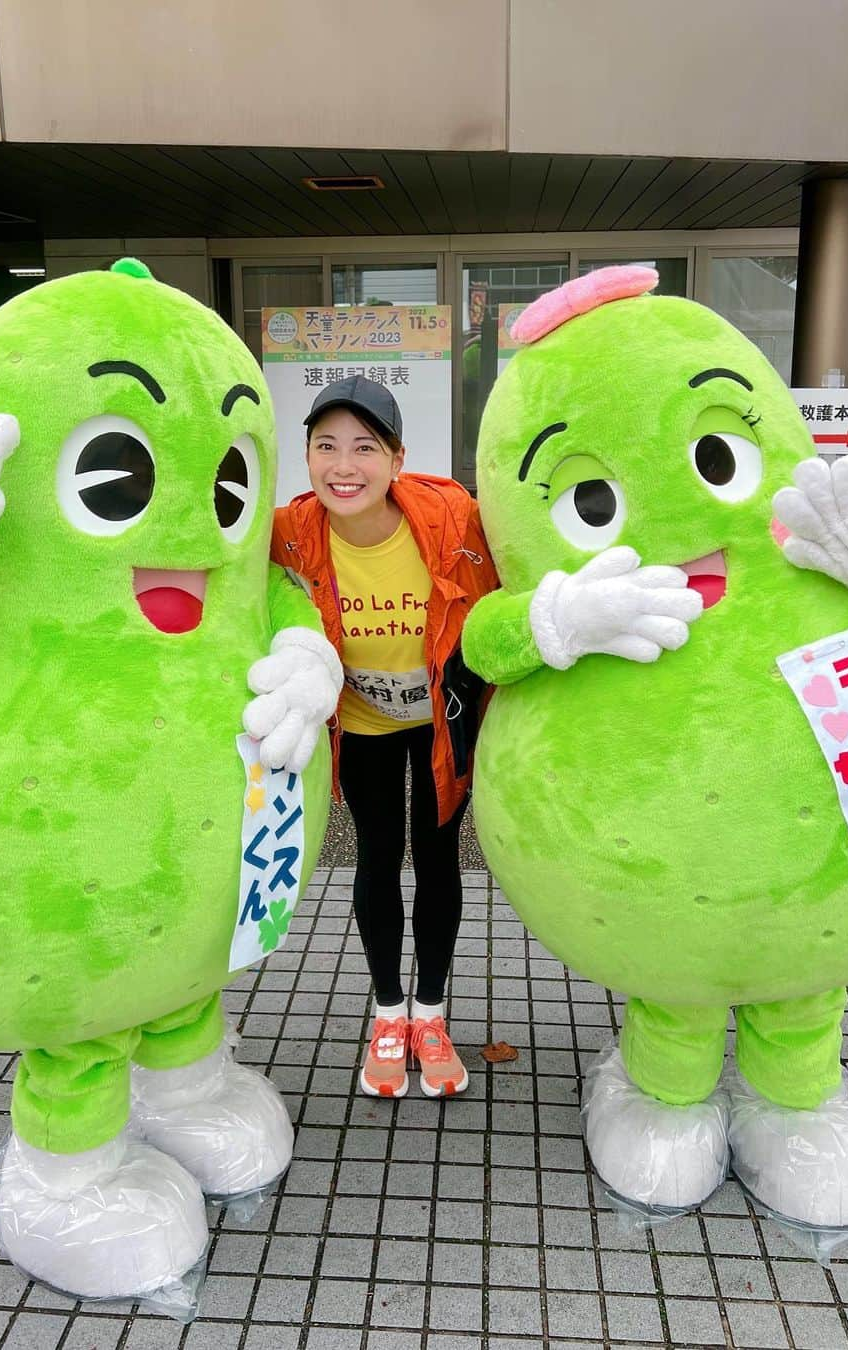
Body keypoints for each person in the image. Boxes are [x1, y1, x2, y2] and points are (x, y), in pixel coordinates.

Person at [271, 375, 498, 1098]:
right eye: (326, 446)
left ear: (398, 458)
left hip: (440, 720)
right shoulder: (287, 533)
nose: (345, 466)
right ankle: (388, 1014)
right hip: (362, 723)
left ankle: (431, 1015)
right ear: (305, 456)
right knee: (374, 855)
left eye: (365, 448)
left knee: (437, 862)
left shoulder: (453, 517)